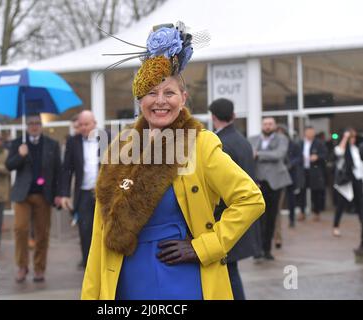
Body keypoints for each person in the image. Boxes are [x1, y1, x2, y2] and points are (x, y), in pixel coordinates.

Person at [81, 22, 265, 300]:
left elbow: (251, 200)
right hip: (125, 276)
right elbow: (101, 229)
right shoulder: (119, 147)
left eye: (169, 93)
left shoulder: (201, 144)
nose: (160, 101)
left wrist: (205, 247)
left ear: (183, 98)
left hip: (181, 276)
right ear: (140, 99)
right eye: (151, 93)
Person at [209, 98, 262, 300]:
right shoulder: (243, 141)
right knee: (231, 270)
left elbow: (220, 188)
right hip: (240, 216)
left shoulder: (220, 144)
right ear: (233, 116)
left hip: (226, 218)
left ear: (213, 117)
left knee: (228, 272)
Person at [6, 114, 62, 283]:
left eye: (37, 123)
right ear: (26, 126)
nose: (34, 126)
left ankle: (39, 268)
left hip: (44, 195)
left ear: (41, 125)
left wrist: (58, 193)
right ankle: (22, 266)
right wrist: (21, 155)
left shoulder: (52, 144)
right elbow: (9, 165)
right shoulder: (18, 143)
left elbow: (58, 170)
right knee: (20, 229)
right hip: (23, 195)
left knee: (42, 233)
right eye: (30, 123)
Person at [60, 110, 106, 269]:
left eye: (87, 124)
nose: (84, 127)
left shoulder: (107, 138)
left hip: (104, 193)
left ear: (95, 123)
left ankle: (105, 261)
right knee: (85, 229)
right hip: (84, 193)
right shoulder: (73, 142)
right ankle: (88, 262)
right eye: (81, 125)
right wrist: (65, 194)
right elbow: (67, 169)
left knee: (105, 228)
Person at [249, 117, 292, 260]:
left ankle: (267, 249)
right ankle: (257, 249)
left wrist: (259, 154)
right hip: (258, 183)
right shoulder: (253, 139)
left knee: (272, 217)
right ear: (262, 125)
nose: (267, 126)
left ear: (274, 126)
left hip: (276, 183)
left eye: (270, 124)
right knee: (257, 217)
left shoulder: (281, 139)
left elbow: (279, 154)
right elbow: (249, 156)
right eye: (265, 124)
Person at [332, 128, 363, 241]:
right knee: (341, 204)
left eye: (354, 137)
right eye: (351, 137)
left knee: (360, 204)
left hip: (357, 179)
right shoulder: (343, 148)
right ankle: (336, 226)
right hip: (346, 181)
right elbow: (339, 151)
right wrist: (345, 137)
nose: (353, 139)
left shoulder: (356, 149)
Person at [277, 124, 304, 228]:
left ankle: (292, 220)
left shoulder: (293, 144)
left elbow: (299, 158)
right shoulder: (275, 145)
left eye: (281, 133)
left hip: (290, 175)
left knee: (291, 199)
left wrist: (290, 164)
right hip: (278, 175)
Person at [298, 126, 328, 221]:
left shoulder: (319, 143)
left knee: (316, 192)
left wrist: (317, 157)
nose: (310, 134)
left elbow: (325, 155)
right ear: (305, 133)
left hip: (315, 171)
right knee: (302, 192)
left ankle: (316, 212)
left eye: (312, 132)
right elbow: (295, 155)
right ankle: (302, 212)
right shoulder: (300, 143)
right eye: (308, 132)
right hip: (303, 171)